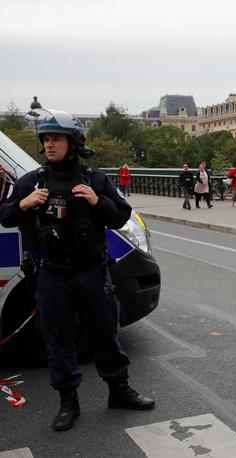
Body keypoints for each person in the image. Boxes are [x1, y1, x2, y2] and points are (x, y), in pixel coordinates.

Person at [0, 109, 154, 432]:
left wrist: (98, 202)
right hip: (52, 275)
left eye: (56, 139)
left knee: (105, 333)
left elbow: (120, 217)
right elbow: (6, 216)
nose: (50, 145)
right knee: (57, 340)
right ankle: (68, 402)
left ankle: (119, 390)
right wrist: (24, 205)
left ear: (73, 142)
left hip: (91, 272)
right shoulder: (32, 181)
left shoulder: (95, 179)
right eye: (46, 139)